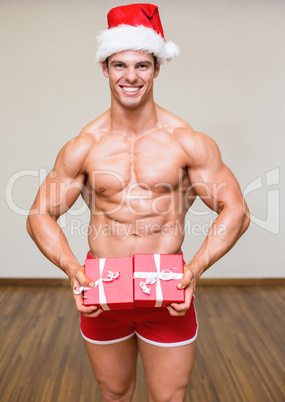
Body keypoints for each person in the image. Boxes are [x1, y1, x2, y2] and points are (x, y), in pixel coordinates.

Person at [26, 4, 250, 401]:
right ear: (105, 69)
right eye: (120, 65)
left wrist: (195, 269)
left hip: (168, 287)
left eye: (142, 66)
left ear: (157, 68)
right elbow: (39, 214)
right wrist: (73, 270)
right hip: (103, 284)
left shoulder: (186, 141)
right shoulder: (85, 146)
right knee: (114, 392)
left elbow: (237, 209)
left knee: (169, 396)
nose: (131, 76)